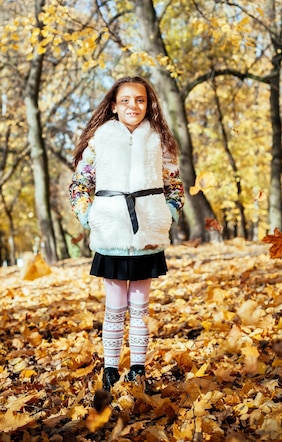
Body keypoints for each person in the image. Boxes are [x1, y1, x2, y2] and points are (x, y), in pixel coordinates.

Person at [69, 75, 184, 392]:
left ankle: (137, 368)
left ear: (148, 104)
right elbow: (80, 184)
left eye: (140, 100)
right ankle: (110, 369)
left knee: (140, 305)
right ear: (114, 106)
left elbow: (175, 186)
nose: (133, 105)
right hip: (112, 234)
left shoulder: (157, 141)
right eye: (126, 100)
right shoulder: (100, 141)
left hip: (147, 233)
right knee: (115, 304)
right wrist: (89, 216)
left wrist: (168, 213)